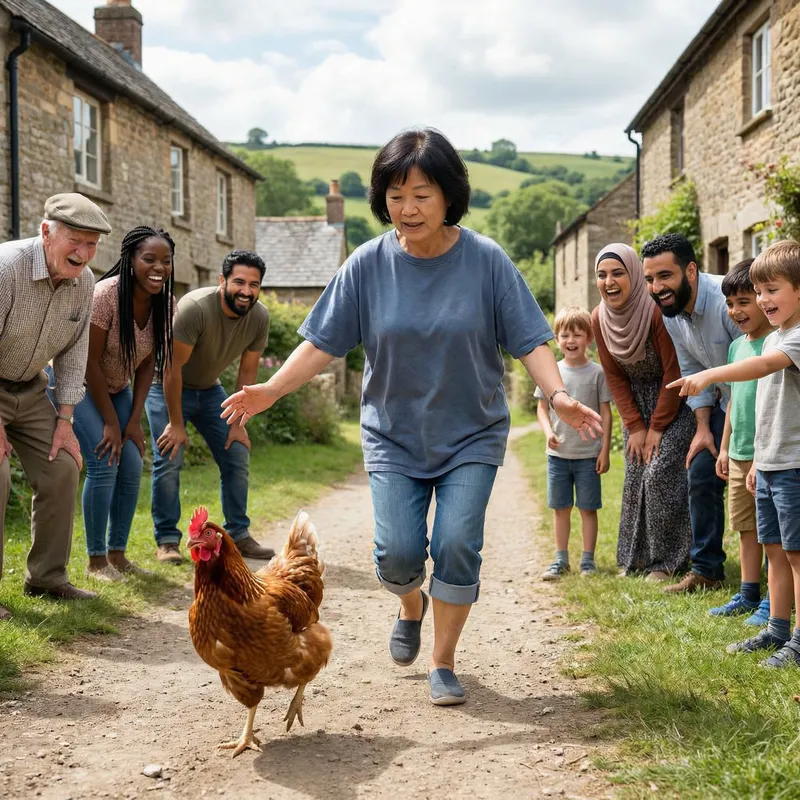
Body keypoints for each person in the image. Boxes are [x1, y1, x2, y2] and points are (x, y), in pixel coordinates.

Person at [221, 127, 603, 707]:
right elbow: (324, 342)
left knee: (455, 543)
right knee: (399, 556)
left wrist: (557, 395)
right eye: (396, 196)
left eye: (422, 194)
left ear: (449, 195)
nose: (408, 208)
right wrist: (270, 389)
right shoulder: (368, 265)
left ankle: (442, 663)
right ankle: (410, 603)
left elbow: (529, 339)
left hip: (471, 432)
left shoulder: (487, 261)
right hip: (393, 435)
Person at [669, 240, 800, 667]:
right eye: (759, 292)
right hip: (771, 462)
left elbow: (762, 368)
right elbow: (765, 411)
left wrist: (708, 375)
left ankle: (797, 640)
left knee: (796, 554)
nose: (763, 300)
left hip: (794, 465)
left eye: (772, 290)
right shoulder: (779, 334)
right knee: (775, 548)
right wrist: (759, 459)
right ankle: (777, 629)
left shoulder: (794, 339)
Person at [0, 193, 112, 618]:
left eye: (92, 244)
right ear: (46, 232)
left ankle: (47, 578)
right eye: (75, 241)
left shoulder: (84, 283)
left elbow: (74, 353)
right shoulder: (5, 269)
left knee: (64, 465)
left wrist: (65, 419)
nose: (83, 254)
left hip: (30, 388)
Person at [144, 250, 274, 564]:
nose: (246, 291)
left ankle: (238, 534)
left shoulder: (259, 317)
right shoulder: (195, 308)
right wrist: (175, 425)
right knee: (169, 457)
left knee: (237, 452)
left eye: (254, 285)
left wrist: (237, 423)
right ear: (222, 281)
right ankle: (167, 541)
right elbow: (173, 369)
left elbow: (247, 372)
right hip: (166, 386)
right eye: (239, 282)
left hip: (210, 389)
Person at [74, 226, 175, 581]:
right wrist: (111, 424)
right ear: (131, 260)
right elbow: (89, 363)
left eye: (166, 260)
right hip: (78, 384)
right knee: (104, 459)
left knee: (132, 462)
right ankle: (95, 561)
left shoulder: (166, 302)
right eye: (149, 259)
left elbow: (148, 363)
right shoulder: (105, 295)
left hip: (118, 388)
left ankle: (118, 555)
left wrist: (132, 421)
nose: (158, 267)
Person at [642, 234, 740, 593]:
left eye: (665, 276)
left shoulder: (725, 302)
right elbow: (691, 367)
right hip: (722, 404)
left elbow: (753, 371)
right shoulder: (670, 311)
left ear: (692, 270)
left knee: (762, 486)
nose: (657, 288)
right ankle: (707, 571)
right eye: (650, 279)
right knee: (700, 471)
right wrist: (703, 428)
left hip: (758, 400)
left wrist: (730, 436)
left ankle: (769, 579)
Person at [593, 243, 693, 579]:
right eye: (602, 274)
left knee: (660, 473)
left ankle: (667, 562)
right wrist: (635, 426)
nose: (609, 281)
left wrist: (657, 427)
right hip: (634, 408)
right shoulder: (598, 318)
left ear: (633, 275)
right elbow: (614, 376)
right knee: (636, 475)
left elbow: (673, 371)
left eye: (618, 273)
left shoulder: (653, 312)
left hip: (675, 402)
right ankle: (635, 559)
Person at [708, 259, 772, 621]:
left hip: (768, 454)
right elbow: (732, 400)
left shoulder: (775, 347)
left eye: (745, 301)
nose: (736, 311)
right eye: (731, 303)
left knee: (770, 533)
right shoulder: (737, 349)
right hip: (740, 451)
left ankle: (771, 599)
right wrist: (727, 445)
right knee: (746, 527)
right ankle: (748, 592)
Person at [535, 307, 611, 580]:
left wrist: (604, 450)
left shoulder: (597, 374)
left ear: (588, 338)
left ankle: (587, 561)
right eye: (564, 335)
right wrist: (547, 433)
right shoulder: (550, 373)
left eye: (577, 334)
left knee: (588, 509)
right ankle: (560, 559)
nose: (571, 340)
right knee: (560, 508)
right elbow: (542, 409)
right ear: (556, 339)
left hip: (588, 455)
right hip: (558, 455)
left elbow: (605, 413)